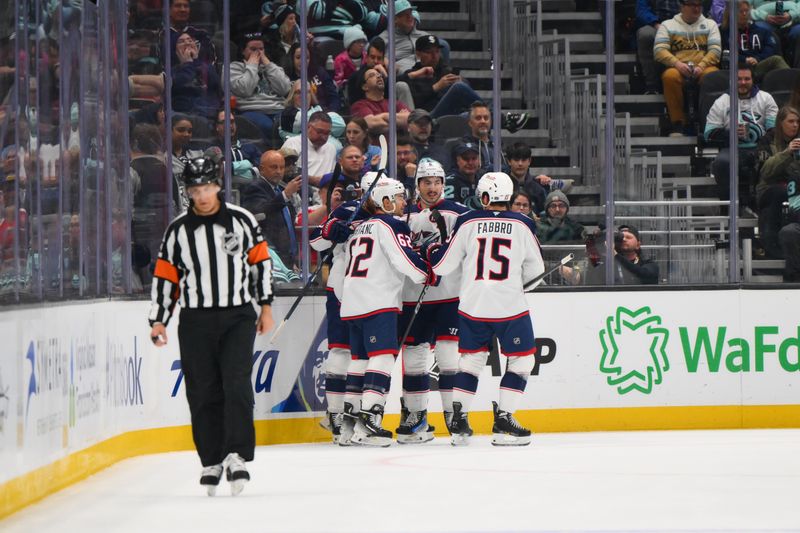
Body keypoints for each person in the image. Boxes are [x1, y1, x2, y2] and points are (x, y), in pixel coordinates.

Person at [148, 156, 274, 497]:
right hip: (195, 319)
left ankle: (237, 455)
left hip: (237, 315)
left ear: (218, 186)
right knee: (202, 391)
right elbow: (166, 277)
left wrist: (265, 306)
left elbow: (260, 264)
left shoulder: (242, 221)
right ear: (188, 191)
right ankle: (211, 459)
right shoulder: (178, 230)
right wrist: (159, 318)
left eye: (206, 187)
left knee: (235, 385)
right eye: (195, 189)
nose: (201, 195)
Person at [426, 172, 545, 446]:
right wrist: (517, 288)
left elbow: (443, 265)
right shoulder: (523, 223)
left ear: (485, 196)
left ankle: (459, 421)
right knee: (522, 360)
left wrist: (434, 249)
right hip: (510, 307)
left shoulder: (467, 221)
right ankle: (504, 420)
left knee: (470, 362)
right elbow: (536, 270)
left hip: (473, 305)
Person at [340, 178, 430, 446]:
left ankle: (349, 423)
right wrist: (425, 273)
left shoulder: (359, 227)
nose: (405, 202)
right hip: (377, 300)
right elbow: (402, 258)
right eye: (400, 197)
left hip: (353, 299)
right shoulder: (391, 224)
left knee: (359, 359)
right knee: (382, 356)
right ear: (386, 202)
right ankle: (370, 420)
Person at [398, 159, 469, 443]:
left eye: (437, 181)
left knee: (449, 356)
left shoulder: (459, 213)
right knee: (414, 356)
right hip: (413, 296)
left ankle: (454, 418)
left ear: (444, 184)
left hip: (450, 295)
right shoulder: (404, 216)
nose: (432, 187)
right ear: (417, 186)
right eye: (426, 182)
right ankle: (416, 418)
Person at [309, 171, 378, 445]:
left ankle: (356, 413)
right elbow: (317, 242)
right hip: (342, 285)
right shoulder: (348, 209)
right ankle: (336, 413)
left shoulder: (391, 215)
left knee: (364, 354)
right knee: (340, 348)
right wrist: (331, 230)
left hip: (373, 290)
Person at [705, 63, 778, 208]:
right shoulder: (721, 102)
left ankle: (763, 205)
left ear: (753, 80)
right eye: (739, 79)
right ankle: (728, 206)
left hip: (760, 146)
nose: (743, 83)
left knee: (771, 160)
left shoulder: (766, 98)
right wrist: (731, 134)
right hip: (732, 149)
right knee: (721, 163)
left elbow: (775, 130)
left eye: (747, 79)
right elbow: (709, 134)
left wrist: (761, 139)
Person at [654, 0, 721, 135]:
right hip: (678, 67)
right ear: (682, 7)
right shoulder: (668, 25)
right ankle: (678, 123)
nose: (696, 8)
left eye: (699, 5)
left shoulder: (710, 24)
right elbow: (659, 50)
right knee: (669, 76)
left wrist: (701, 66)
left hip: (703, 66)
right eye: (692, 5)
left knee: (713, 76)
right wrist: (677, 64)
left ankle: (711, 123)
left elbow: (716, 50)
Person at [241, 150, 302, 269]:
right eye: (274, 167)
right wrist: (286, 194)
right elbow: (261, 212)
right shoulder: (255, 188)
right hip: (269, 254)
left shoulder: (278, 189)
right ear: (262, 169)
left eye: (282, 167)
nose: (279, 171)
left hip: (287, 256)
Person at [399, 34, 482, 118]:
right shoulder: (413, 74)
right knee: (459, 87)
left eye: (437, 51)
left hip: (455, 115)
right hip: (428, 118)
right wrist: (436, 87)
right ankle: (491, 114)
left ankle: (488, 114)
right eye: (429, 52)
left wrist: (462, 81)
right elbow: (414, 102)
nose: (434, 56)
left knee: (472, 114)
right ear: (418, 54)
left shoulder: (446, 71)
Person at [755, 105, 800, 258]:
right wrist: (787, 153)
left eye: (797, 122)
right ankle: (771, 245)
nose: (795, 125)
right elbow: (765, 172)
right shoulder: (767, 140)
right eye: (791, 121)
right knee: (780, 193)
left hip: (796, 188)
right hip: (769, 189)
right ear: (780, 123)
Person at [230, 31, 292, 140]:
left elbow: (285, 89)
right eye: (253, 49)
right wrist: (252, 66)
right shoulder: (233, 68)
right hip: (251, 110)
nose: (258, 53)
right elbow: (245, 90)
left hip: (278, 109)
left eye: (261, 49)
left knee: (295, 123)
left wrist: (268, 65)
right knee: (271, 127)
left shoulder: (271, 68)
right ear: (243, 51)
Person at [562, 225, 659, 285]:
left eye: (628, 237)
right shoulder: (608, 265)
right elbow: (592, 280)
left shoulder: (649, 264)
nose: (624, 239)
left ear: (638, 245)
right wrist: (597, 246)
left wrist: (615, 254)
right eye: (621, 238)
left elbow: (644, 274)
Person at [721, 1, 789, 83]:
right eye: (740, 11)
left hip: (757, 66)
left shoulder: (761, 31)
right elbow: (725, 54)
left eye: (746, 11)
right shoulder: (724, 32)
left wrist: (757, 58)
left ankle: (795, 86)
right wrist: (744, 59)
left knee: (776, 60)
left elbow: (771, 48)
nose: (744, 14)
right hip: (736, 68)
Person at [280, 110, 338, 187]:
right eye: (319, 132)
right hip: (300, 191)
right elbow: (286, 172)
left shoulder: (331, 148)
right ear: (308, 127)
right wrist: (312, 180)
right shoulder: (293, 143)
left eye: (327, 133)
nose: (323, 136)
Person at [635, 0, 681, 93]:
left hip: (682, 23)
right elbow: (641, 10)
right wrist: (656, 24)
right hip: (655, 24)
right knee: (645, 34)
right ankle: (651, 84)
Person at [350, 66, 411, 135]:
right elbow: (371, 124)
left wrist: (382, 118)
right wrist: (399, 121)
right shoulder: (359, 105)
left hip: (398, 145)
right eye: (372, 75)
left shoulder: (395, 103)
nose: (379, 76)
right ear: (365, 87)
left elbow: (411, 120)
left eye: (379, 75)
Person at [444, 141, 483, 207]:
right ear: (457, 160)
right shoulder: (449, 181)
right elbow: (449, 209)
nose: (470, 163)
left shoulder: (483, 180)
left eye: (474, 158)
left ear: (479, 160)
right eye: (466, 158)